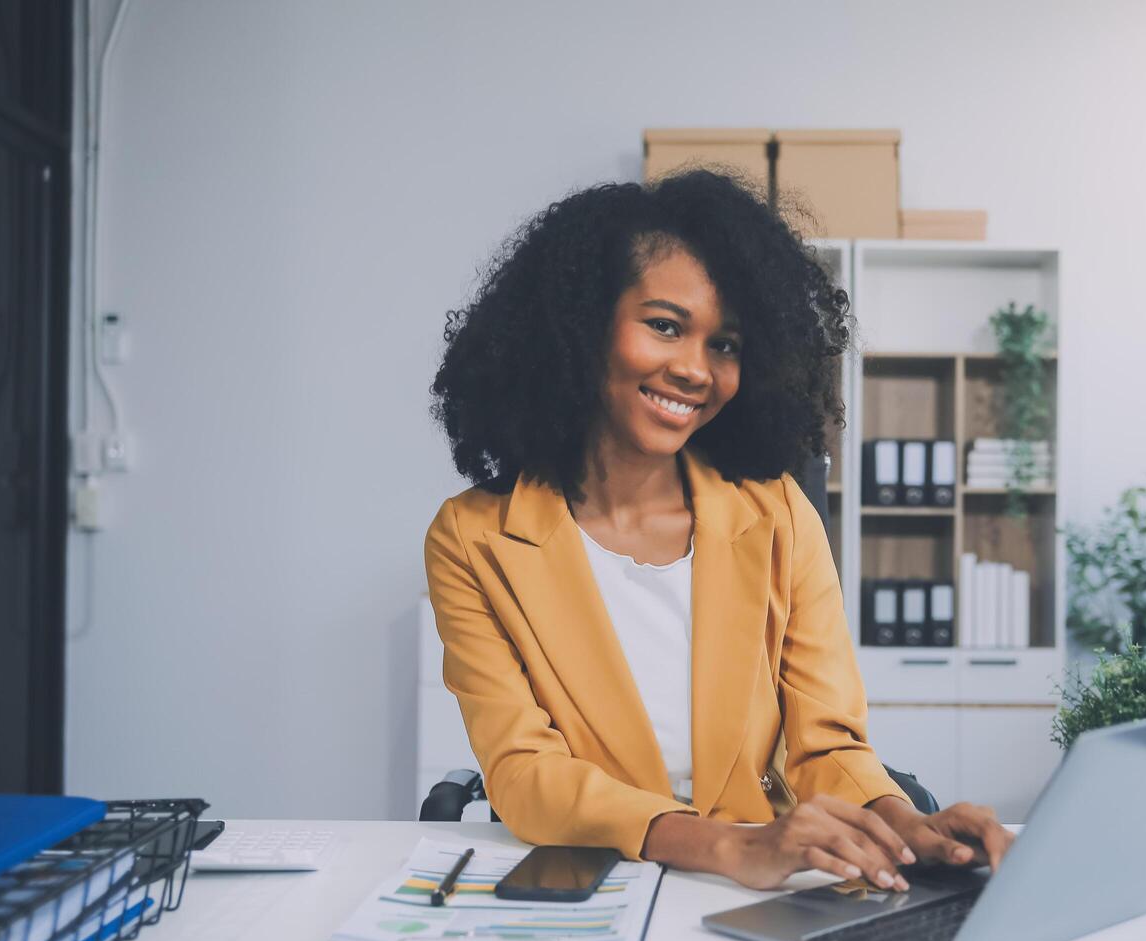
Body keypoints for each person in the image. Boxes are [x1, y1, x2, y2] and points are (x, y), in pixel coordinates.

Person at [425, 169, 1011, 892]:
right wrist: (731, 849)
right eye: (665, 326)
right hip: (599, 879)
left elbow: (826, 742)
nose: (695, 370)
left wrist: (901, 823)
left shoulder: (778, 516)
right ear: (580, 325)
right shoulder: (474, 539)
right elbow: (523, 772)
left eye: (726, 345)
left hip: (761, 886)